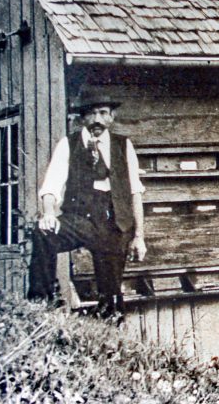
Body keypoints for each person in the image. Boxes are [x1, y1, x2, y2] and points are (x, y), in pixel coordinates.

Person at [27, 91, 147, 317]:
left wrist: (139, 236)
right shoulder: (68, 144)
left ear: (111, 117)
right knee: (43, 233)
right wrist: (49, 213)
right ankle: (40, 304)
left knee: (111, 295)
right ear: (82, 118)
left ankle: (109, 325)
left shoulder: (123, 145)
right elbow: (51, 186)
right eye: (91, 113)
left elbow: (135, 192)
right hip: (80, 219)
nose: (97, 120)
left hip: (114, 224)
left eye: (103, 113)